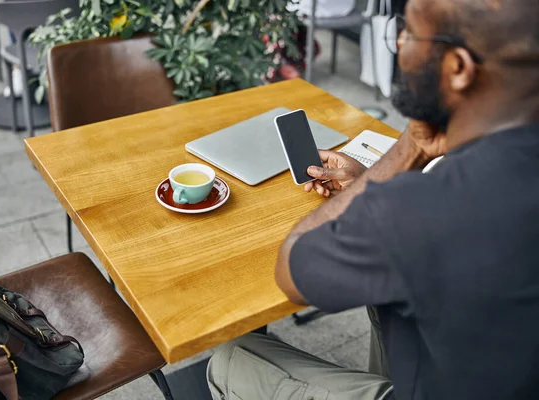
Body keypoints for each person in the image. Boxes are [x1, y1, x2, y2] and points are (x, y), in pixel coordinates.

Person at [207, 0, 539, 398]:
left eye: (410, 31)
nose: (398, 42)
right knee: (391, 295)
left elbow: (293, 269)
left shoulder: (425, 208)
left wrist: (411, 148)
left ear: (458, 69)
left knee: (231, 357)